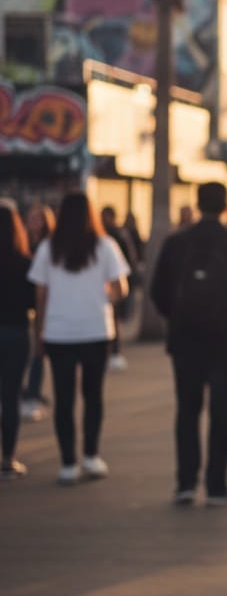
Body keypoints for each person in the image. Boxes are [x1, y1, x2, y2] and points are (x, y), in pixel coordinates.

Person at [149, 182, 227, 505]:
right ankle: (216, 486)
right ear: (226, 205)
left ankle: (185, 484)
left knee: (187, 411)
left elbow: (158, 290)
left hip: (185, 341)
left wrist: (175, 318)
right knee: (221, 414)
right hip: (226, 341)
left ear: (197, 204)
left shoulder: (176, 242)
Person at [28, 191, 130, 485]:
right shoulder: (105, 245)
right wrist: (101, 298)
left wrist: (40, 331)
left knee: (64, 398)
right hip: (95, 330)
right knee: (93, 396)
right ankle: (91, 455)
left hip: (59, 332)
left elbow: (40, 294)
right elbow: (121, 289)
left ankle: (68, 463)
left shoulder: (49, 248)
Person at [0, 200, 36, 477]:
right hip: (16, 332)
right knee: (10, 397)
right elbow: (34, 301)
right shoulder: (25, 262)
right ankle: (8, 458)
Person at [21, 201, 55, 421]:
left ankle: (32, 391)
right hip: (22, 306)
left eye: (38, 218)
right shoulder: (20, 244)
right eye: (31, 218)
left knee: (38, 352)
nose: (33, 222)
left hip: (42, 305)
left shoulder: (49, 247)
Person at [99, 205, 139, 371]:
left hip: (112, 287)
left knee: (115, 321)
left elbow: (129, 261)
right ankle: (113, 352)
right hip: (110, 288)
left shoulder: (113, 238)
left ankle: (115, 352)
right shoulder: (107, 239)